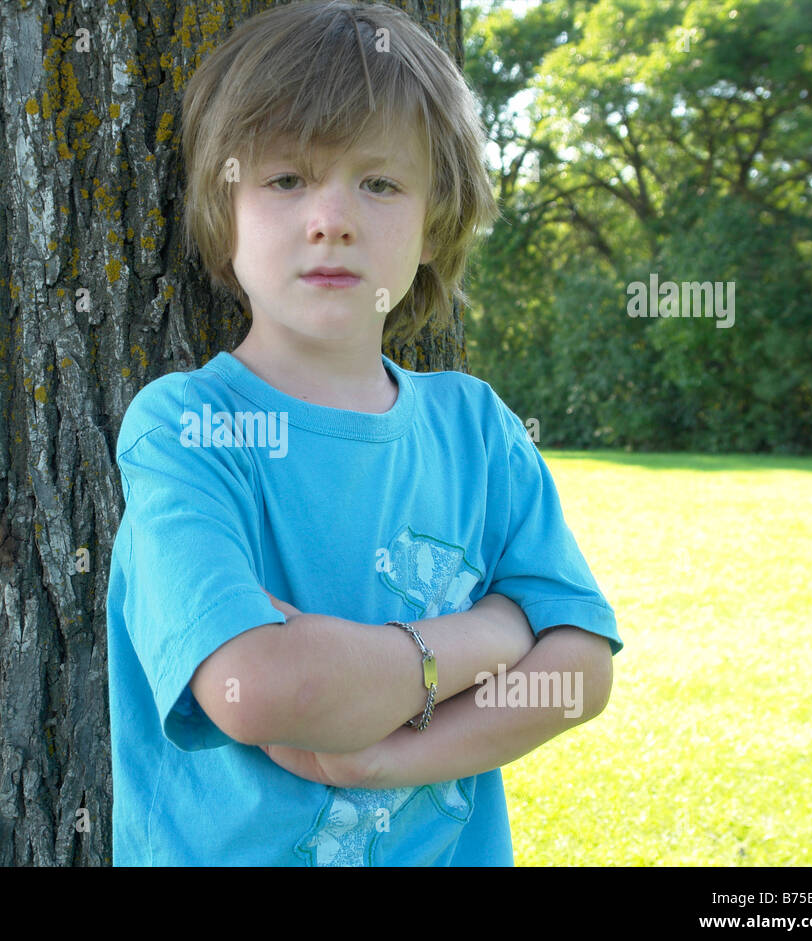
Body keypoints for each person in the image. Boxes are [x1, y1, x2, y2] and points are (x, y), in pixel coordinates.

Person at [106, 0, 622, 866]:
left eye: (379, 183)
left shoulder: (475, 428)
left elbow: (579, 671)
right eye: (286, 180)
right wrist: (493, 635)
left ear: (433, 220)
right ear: (224, 206)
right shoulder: (190, 428)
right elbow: (262, 689)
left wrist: (389, 754)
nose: (332, 218)